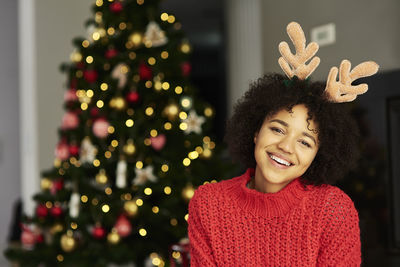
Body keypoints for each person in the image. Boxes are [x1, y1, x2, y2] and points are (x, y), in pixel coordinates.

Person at [188, 22, 379, 266]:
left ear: (318, 155)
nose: (287, 147)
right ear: (256, 131)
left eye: (305, 142)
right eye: (278, 129)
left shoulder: (333, 209)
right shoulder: (208, 203)